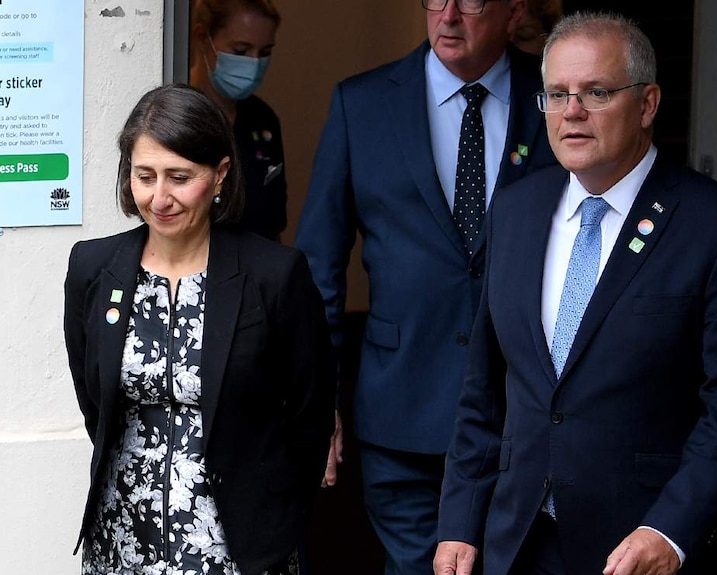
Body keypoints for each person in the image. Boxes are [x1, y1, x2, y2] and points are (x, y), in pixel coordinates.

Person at [434, 11, 717, 575]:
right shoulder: (516, 211)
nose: (572, 112)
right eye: (557, 94)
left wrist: (670, 530)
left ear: (647, 104)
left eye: (596, 92)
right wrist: (459, 520)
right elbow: (485, 387)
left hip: (645, 544)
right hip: (520, 540)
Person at [294, 0, 557, 573]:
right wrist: (320, 398)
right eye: (436, 0)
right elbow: (320, 266)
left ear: (513, 12)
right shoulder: (361, 103)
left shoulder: (557, 97)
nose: (449, 16)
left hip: (526, 411)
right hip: (402, 406)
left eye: (471, 2)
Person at [64, 84, 335, 575]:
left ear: (219, 175)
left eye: (179, 177)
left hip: (239, 547)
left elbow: (308, 419)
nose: (159, 197)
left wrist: (274, 517)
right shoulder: (93, 268)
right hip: (122, 538)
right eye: (144, 176)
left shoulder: (274, 275)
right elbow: (93, 399)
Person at [189, 0, 287, 241]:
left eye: (264, 53)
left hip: (256, 272)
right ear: (202, 37)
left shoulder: (262, 119)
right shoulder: (177, 112)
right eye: (241, 51)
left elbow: (272, 222)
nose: (254, 64)